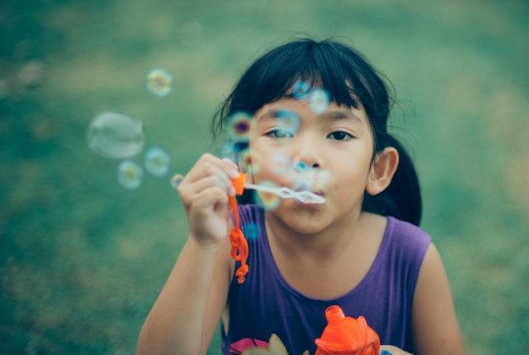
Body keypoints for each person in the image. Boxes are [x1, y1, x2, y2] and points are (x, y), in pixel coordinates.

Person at [136, 38, 464, 355]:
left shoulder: (412, 258)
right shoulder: (231, 243)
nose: (306, 155)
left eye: (339, 133)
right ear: (244, 163)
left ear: (377, 170)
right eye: (279, 132)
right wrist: (202, 242)